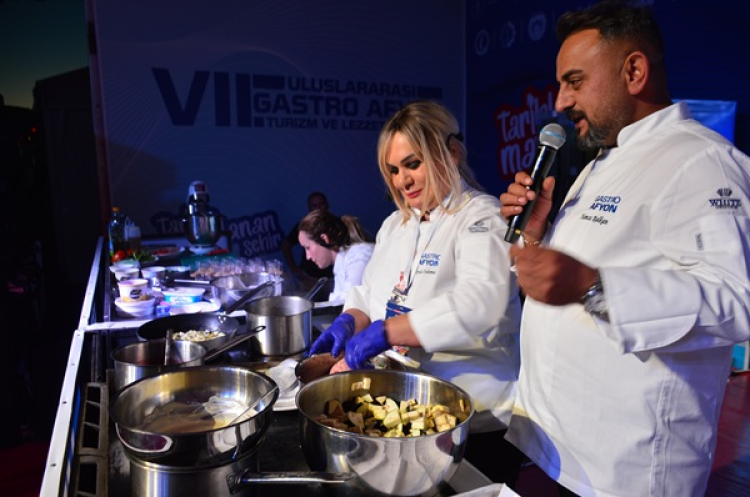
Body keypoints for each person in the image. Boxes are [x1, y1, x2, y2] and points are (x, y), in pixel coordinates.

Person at [499, 2, 750, 496]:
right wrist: (536, 237)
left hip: (628, 470)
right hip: (556, 447)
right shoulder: (601, 161)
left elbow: (738, 301)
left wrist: (595, 287)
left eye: (574, 81)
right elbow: (578, 270)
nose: (561, 102)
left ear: (634, 71)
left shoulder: (704, 162)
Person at [309, 100, 525, 486]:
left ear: (452, 153)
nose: (402, 181)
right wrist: (350, 320)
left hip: (475, 418)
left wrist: (388, 331)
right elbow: (368, 293)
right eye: (393, 170)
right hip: (412, 412)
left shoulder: (481, 216)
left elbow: (480, 303)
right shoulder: (395, 225)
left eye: (412, 164)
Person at [297, 210, 374, 304]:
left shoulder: (359, 256)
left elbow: (352, 300)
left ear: (324, 239)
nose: (307, 257)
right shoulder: (341, 264)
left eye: (308, 248)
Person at [281, 191, 334, 290]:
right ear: (310, 208)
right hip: (309, 280)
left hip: (333, 280)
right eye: (314, 206)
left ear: (327, 205)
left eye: (321, 204)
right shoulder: (304, 226)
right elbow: (286, 245)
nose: (318, 208)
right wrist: (294, 269)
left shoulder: (337, 225)